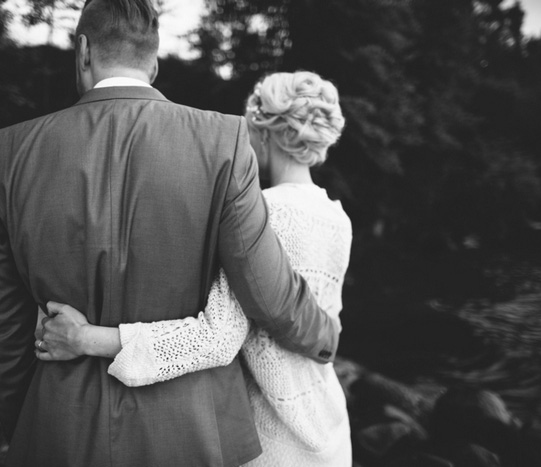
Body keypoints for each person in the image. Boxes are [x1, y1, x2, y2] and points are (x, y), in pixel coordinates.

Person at [0, 1, 340, 466]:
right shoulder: (223, 140)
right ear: (155, 62)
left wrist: (29, 418)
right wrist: (326, 333)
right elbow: (267, 292)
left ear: (83, 50)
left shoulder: (6, 151)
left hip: (57, 426)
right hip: (193, 433)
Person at [37, 71, 353, 466]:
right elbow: (326, 325)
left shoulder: (265, 213)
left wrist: (85, 338)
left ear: (265, 131)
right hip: (328, 425)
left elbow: (217, 338)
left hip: (275, 435)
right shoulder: (336, 217)